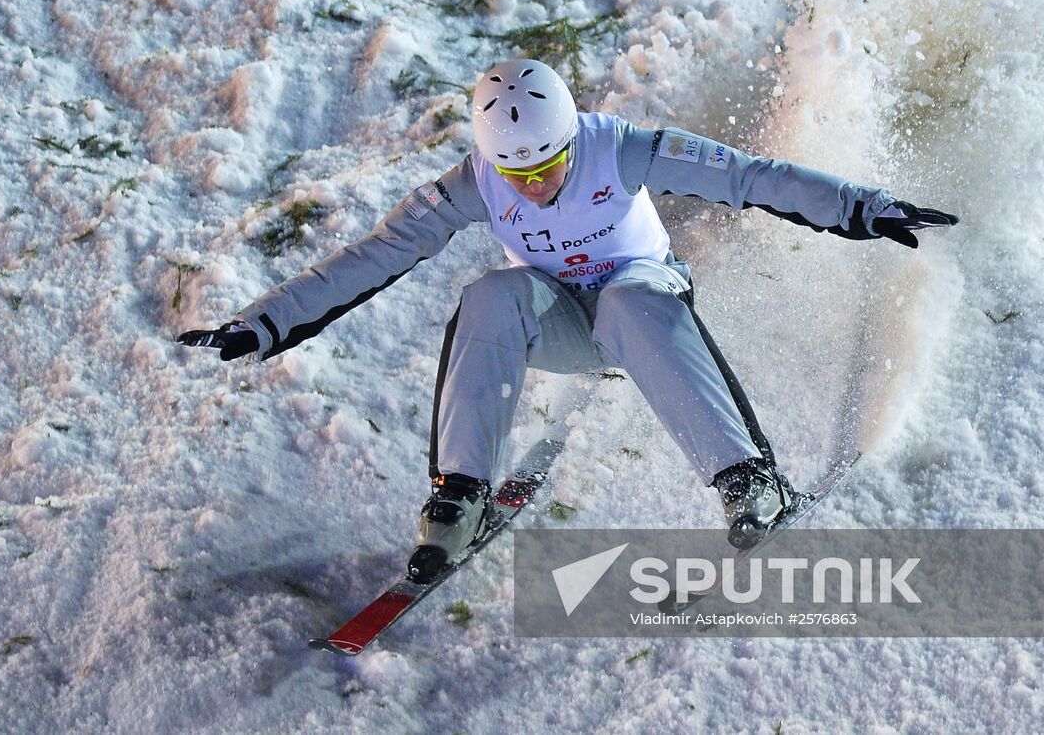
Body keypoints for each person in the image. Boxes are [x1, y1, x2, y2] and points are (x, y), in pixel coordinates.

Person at [178, 58, 958, 581]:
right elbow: (374, 255)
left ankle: (750, 479)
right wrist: (267, 322)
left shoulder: (619, 147)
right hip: (560, 324)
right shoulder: (474, 183)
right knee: (488, 295)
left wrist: (859, 206)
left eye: (551, 164)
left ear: (571, 137)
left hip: (644, 308)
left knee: (626, 299)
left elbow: (748, 176)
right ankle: (460, 493)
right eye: (521, 174)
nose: (540, 184)